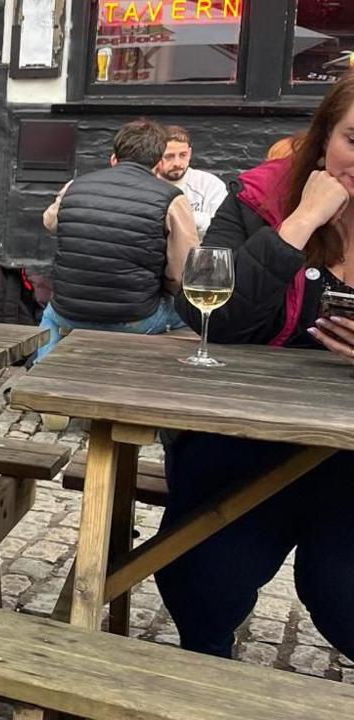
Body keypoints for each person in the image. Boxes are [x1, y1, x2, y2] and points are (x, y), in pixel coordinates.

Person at [155, 73, 354, 662]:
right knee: (202, 576)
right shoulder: (260, 199)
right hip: (247, 440)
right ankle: (206, 671)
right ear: (324, 142)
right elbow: (211, 313)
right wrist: (300, 224)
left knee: (343, 594)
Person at [36, 118, 199, 360]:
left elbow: (49, 222)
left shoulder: (75, 186)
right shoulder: (172, 199)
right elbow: (182, 273)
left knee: (51, 314)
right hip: (135, 317)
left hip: (69, 310)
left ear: (114, 158)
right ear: (158, 163)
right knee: (187, 310)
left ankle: (40, 370)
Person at [156, 125, 228, 238]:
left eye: (183, 155)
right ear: (156, 155)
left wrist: (183, 217)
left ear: (189, 153)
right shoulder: (147, 183)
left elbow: (222, 228)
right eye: (169, 156)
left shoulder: (210, 184)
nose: (177, 163)